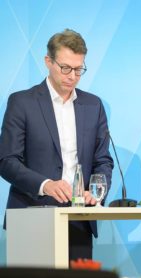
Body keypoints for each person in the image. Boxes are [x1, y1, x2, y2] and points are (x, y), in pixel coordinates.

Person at [0, 29, 113, 261]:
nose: (72, 76)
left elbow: (103, 160)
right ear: (48, 61)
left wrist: (96, 192)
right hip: (32, 217)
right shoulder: (22, 102)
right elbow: (7, 160)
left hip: (79, 218)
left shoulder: (93, 105)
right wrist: (45, 184)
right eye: (66, 68)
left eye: (79, 69)